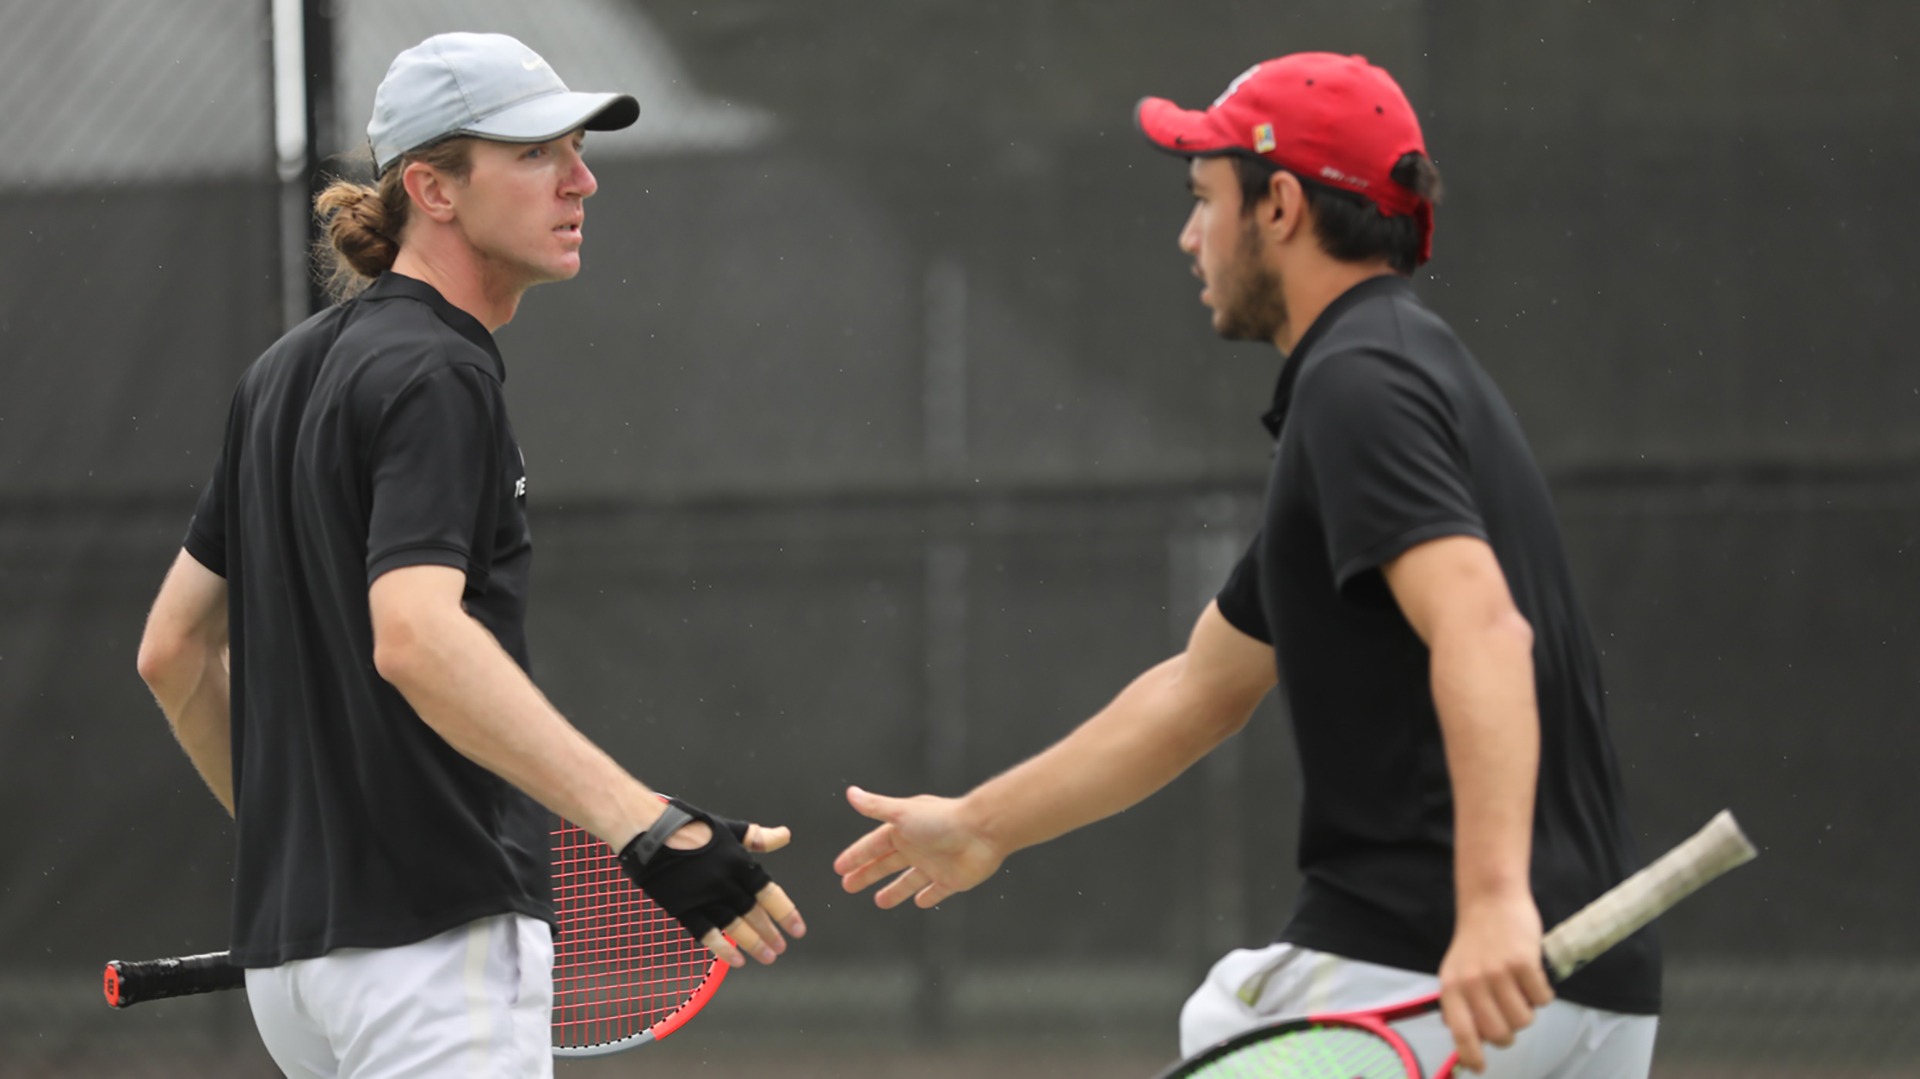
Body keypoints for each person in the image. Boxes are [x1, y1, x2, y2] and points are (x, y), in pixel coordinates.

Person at [833, 53, 1659, 1076]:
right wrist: (978, 826)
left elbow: (1485, 627)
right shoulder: (1402, 375)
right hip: (1587, 991)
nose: (1189, 237)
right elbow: (1200, 689)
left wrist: (1491, 903)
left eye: (1202, 201)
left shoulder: (1359, 383)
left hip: (1427, 969)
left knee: (1225, 1025)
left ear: (1278, 206)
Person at [134, 31, 804, 1077]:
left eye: (578, 149)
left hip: (295, 971)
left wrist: (308, 854)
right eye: (537, 153)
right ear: (431, 189)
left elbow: (172, 650)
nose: (581, 178)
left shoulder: (280, 374)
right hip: (431, 953)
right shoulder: (442, 375)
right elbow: (415, 636)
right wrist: (650, 828)